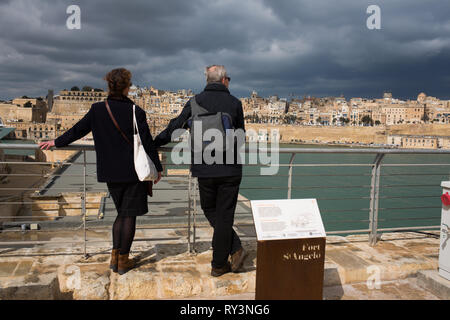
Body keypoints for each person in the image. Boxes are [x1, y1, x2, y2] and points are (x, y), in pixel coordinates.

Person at [39, 68, 163, 275]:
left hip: (110, 171)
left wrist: (56, 142)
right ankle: (123, 261)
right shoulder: (135, 112)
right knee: (129, 215)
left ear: (109, 85)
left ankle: (115, 257)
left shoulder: (97, 109)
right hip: (133, 172)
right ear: (127, 87)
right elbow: (148, 144)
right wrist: (158, 168)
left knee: (120, 214)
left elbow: (77, 130)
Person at [154, 65, 247, 277]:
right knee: (225, 216)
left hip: (204, 169)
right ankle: (226, 257)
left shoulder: (194, 102)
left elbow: (175, 127)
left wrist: (155, 143)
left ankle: (224, 259)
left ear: (207, 80)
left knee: (210, 210)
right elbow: (241, 136)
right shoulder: (235, 103)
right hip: (230, 168)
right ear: (224, 80)